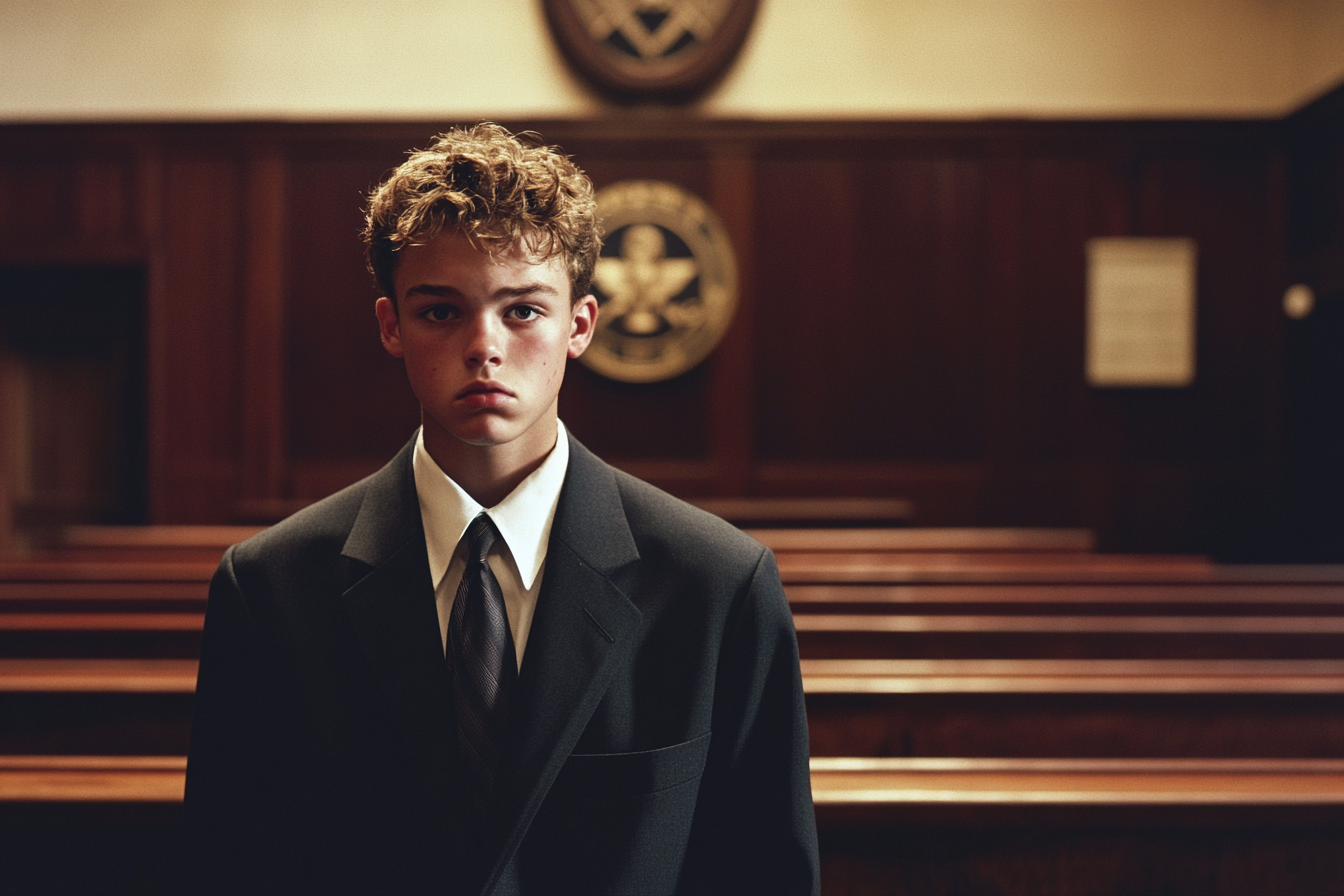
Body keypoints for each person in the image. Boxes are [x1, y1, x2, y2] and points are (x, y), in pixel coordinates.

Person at [185, 123, 819, 895]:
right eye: (441, 312)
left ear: (579, 325)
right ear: (391, 325)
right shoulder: (271, 590)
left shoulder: (719, 585)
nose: (484, 346)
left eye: (522, 311)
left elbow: (763, 875)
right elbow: (233, 868)